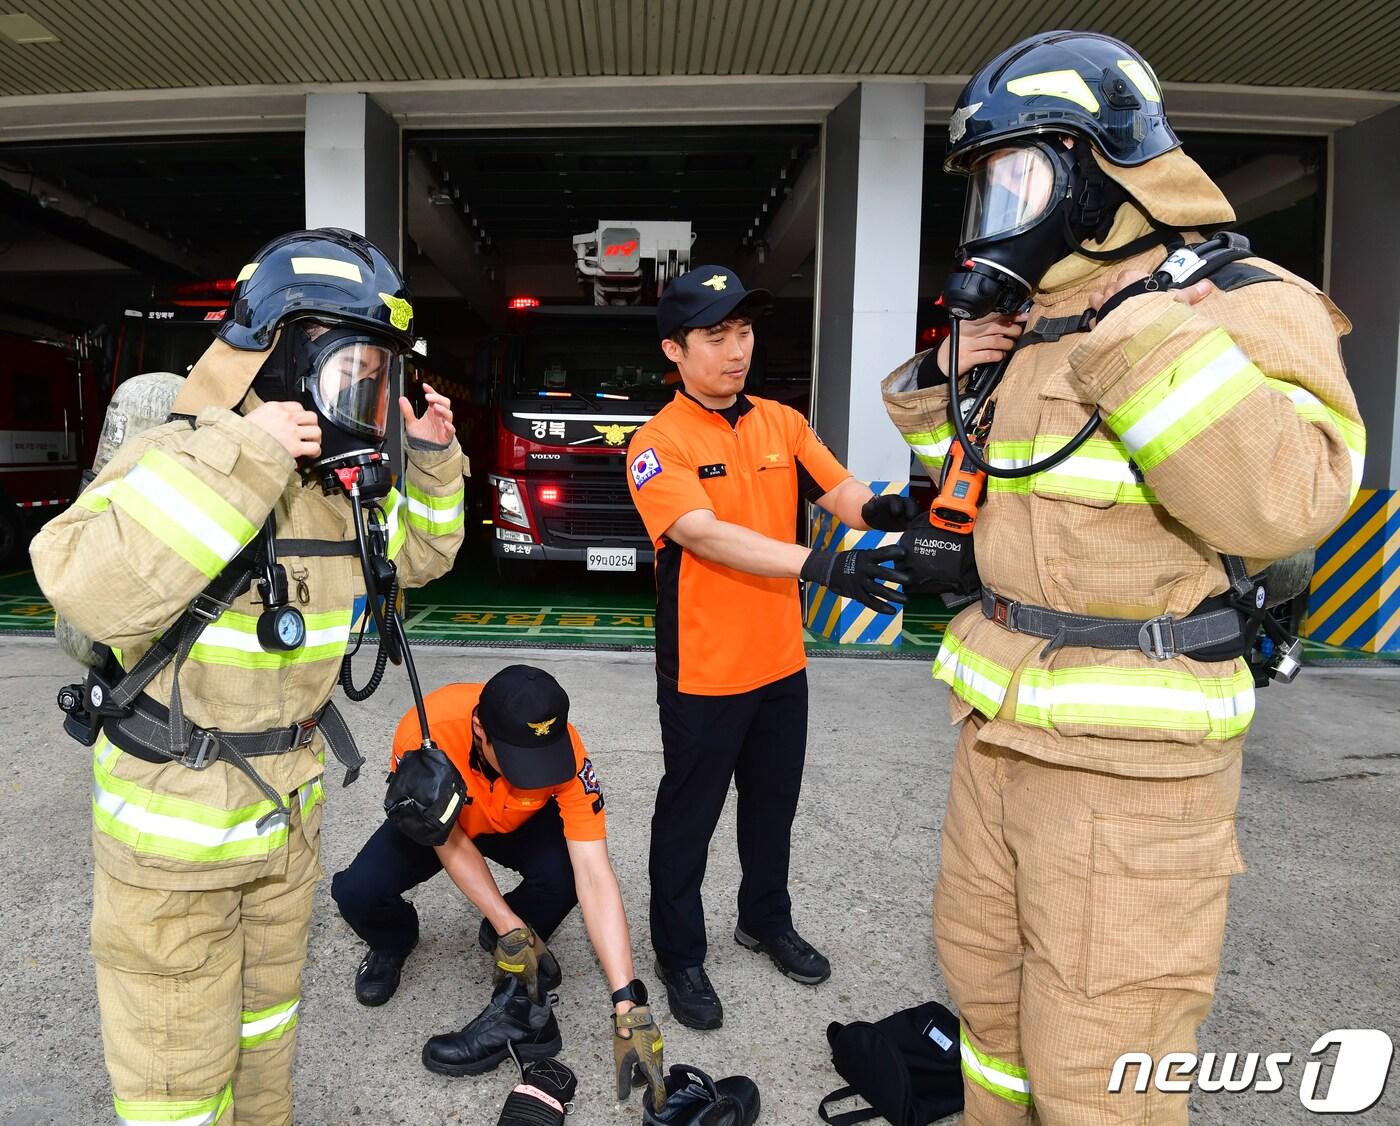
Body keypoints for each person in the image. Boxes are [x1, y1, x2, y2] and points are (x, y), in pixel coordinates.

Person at [880, 31, 1365, 1124]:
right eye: (985, 186)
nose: (999, 209)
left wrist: (1139, 337)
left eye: (1017, 177)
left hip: (1130, 772)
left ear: (1095, 171)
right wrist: (949, 379)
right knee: (987, 1009)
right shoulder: (1039, 319)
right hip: (995, 733)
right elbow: (989, 494)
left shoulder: (1237, 302)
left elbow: (1289, 503)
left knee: (1104, 1053)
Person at [31, 228, 467, 1126]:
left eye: (380, 380)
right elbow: (89, 586)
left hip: (283, 823)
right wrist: (244, 450)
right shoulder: (181, 455)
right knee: (175, 1084)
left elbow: (423, 552)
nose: (370, 400)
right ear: (283, 358)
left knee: (265, 1045)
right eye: (358, 373)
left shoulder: (335, 490)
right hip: (174, 846)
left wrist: (428, 453)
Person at [625, 265, 915, 1030]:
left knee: (773, 808)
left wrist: (883, 507)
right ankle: (680, 954)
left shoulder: (782, 421)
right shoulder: (657, 443)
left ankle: (764, 920)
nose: (735, 350)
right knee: (689, 816)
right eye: (715, 336)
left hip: (781, 661)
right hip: (705, 666)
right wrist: (821, 564)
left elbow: (837, 489)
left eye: (744, 332)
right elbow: (703, 534)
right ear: (675, 351)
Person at [331, 665, 665, 1097]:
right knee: (356, 892)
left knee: (564, 876)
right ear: (479, 731)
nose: (535, 770)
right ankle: (396, 940)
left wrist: (628, 1002)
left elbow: (595, 875)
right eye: (519, 760)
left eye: (541, 760)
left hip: (519, 823)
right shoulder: (424, 731)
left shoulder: (567, 751)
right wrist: (508, 922)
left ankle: (505, 936)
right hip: (446, 824)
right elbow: (448, 843)